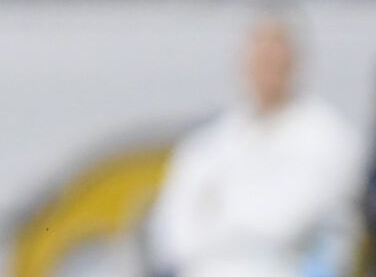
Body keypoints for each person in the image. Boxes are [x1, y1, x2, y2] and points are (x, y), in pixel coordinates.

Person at [149, 17, 363, 277]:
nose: (267, 70)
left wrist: (216, 210)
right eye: (259, 59)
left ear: (295, 62)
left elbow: (281, 223)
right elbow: (174, 233)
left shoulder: (330, 136)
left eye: (275, 60)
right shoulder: (210, 140)